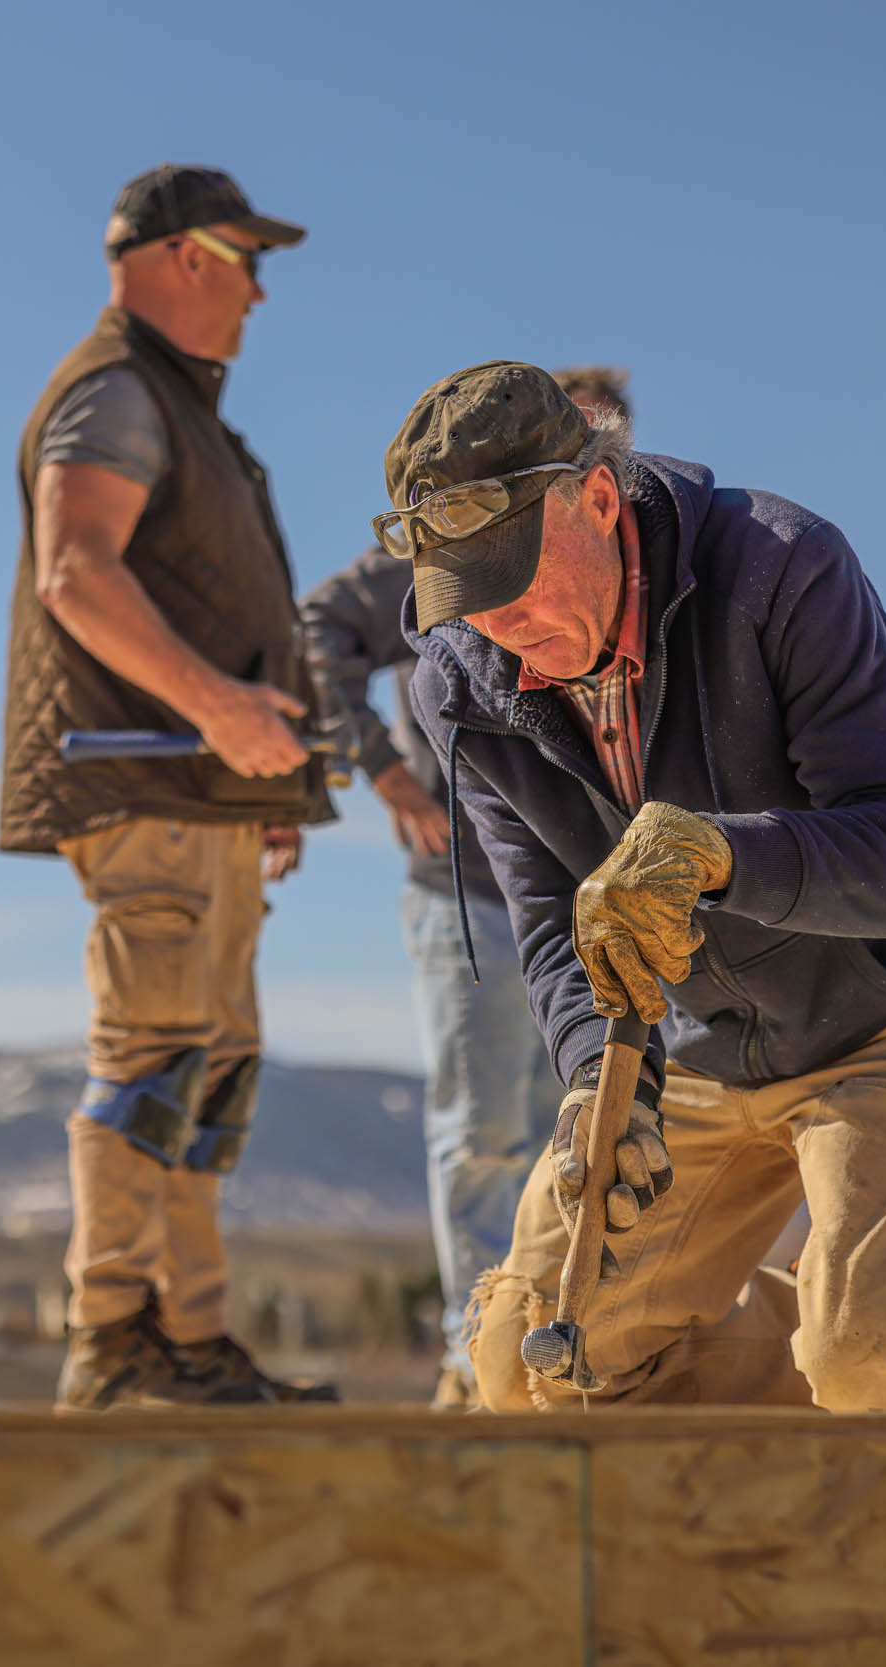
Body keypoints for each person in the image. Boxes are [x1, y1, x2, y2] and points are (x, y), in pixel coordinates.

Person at [382, 361, 886, 1412]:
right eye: (467, 594)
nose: (500, 625)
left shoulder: (779, 569)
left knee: (872, 1367)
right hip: (708, 1033)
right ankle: (837, 1340)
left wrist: (717, 856)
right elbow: (546, 921)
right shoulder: (459, 680)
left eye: (515, 576)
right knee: (534, 1364)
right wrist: (599, 1077)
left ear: (594, 498)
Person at [2, 165, 338, 1409]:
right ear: (182, 255)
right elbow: (74, 572)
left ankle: (189, 1341)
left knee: (210, 1070)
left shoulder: (177, 408)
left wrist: (266, 785)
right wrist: (223, 712)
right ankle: (110, 1336)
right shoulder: (115, 391)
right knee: (151, 1056)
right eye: (247, 260)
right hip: (145, 786)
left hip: (207, 799)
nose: (257, 291)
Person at [300, 365, 632, 1410]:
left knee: (571, 1124)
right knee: (482, 1129)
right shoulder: (432, 544)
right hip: (464, 891)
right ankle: (472, 1349)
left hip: (591, 889)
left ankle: (563, 1337)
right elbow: (317, 631)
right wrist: (383, 768)